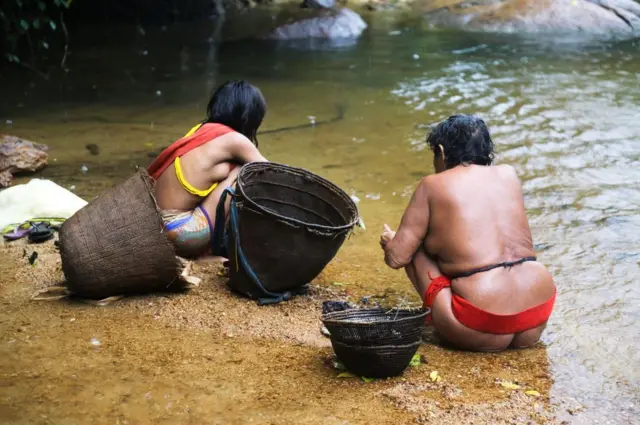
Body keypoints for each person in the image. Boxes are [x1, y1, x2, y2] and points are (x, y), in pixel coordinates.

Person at [380, 114, 556, 352]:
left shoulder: (432, 184)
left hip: (480, 325)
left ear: (441, 152)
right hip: (536, 311)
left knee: (415, 248)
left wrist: (391, 242)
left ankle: (452, 325)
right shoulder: (508, 175)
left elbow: (397, 258)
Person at [149, 80, 268, 259]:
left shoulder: (200, 131)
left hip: (155, 229)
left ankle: (209, 249)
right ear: (249, 117)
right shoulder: (234, 140)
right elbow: (273, 173)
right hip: (182, 233)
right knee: (247, 172)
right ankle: (216, 251)